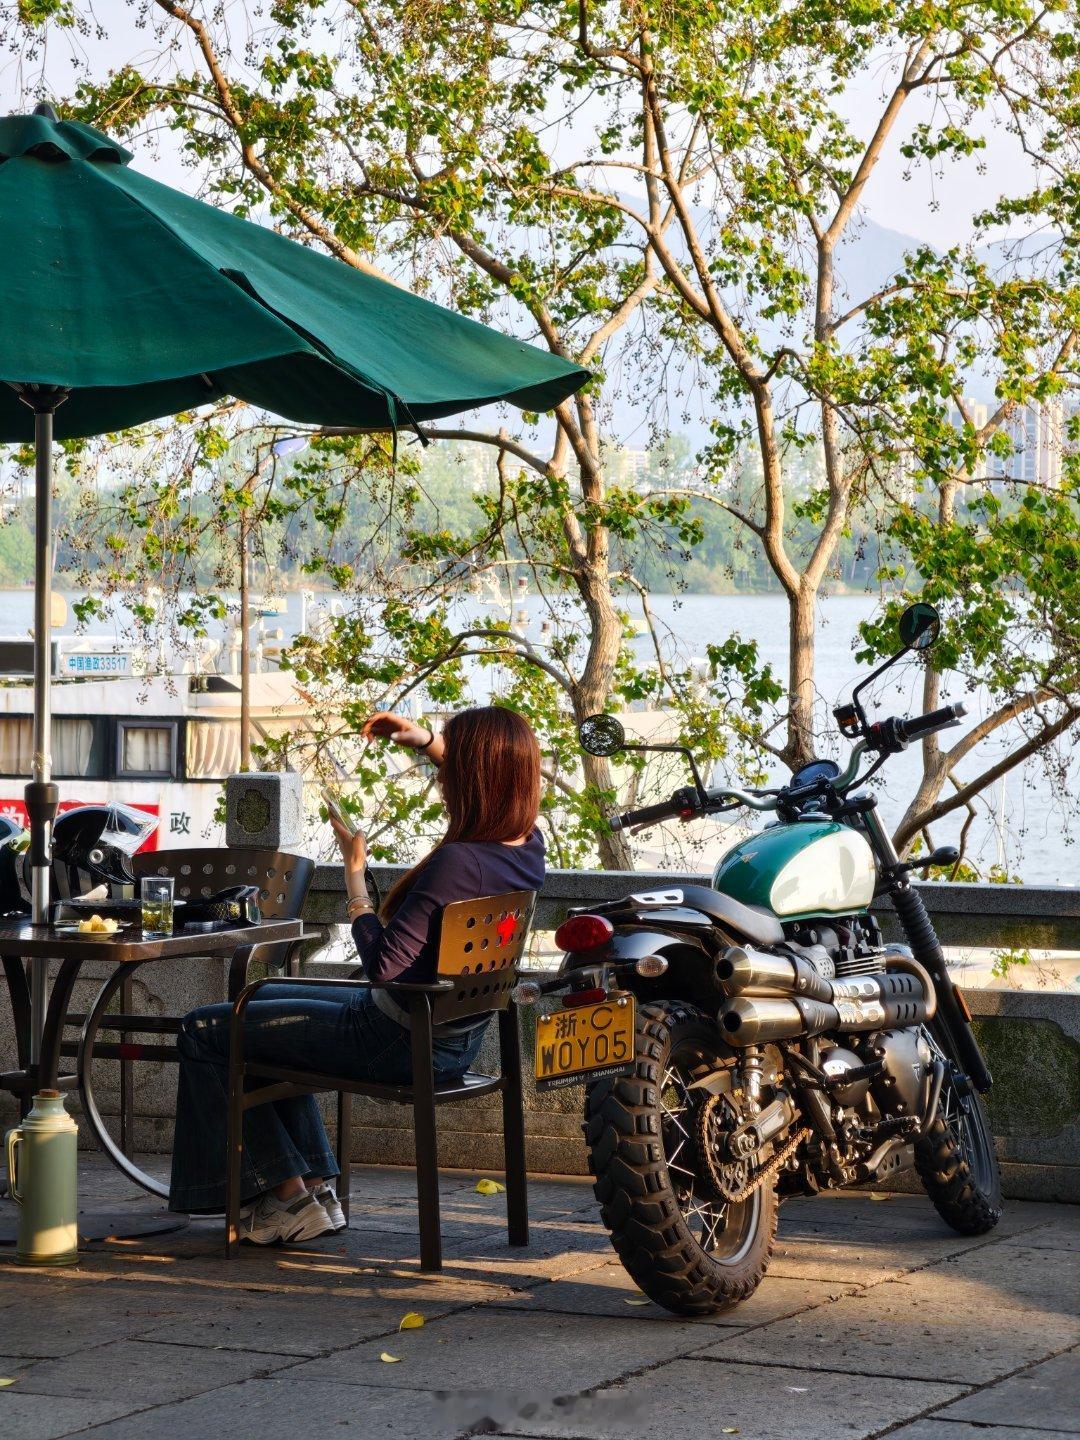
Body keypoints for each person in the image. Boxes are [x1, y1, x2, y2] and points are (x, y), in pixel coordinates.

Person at [168, 704, 545, 1245]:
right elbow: (490, 773)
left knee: (206, 1031)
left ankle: (285, 1197)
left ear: (471, 776)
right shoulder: (529, 845)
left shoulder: (458, 862)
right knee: (259, 1008)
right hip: (453, 1040)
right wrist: (422, 739)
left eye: (448, 767)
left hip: (391, 1039)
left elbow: (385, 967)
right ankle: (313, 1189)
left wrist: (354, 878)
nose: (440, 776)